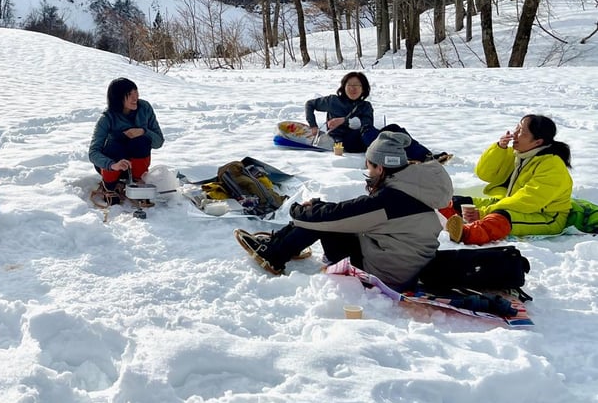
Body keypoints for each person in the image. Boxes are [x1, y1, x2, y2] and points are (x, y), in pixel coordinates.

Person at [236, 131, 452, 290]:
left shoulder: (390, 200)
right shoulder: (413, 186)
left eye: (369, 164)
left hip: (386, 273)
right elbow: (354, 212)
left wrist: (297, 210)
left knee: (323, 220)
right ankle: (285, 244)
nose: (367, 170)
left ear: (380, 167)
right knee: (326, 214)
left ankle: (274, 254)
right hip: (405, 260)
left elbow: (336, 217)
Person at [444, 115, 573, 245]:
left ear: (537, 142)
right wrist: (499, 149)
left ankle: (465, 234)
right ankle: (444, 221)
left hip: (545, 217)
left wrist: (484, 212)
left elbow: (528, 200)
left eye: (521, 132)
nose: (514, 134)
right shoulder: (518, 155)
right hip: (510, 204)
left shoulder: (552, 165)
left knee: (500, 218)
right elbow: (484, 174)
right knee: (456, 201)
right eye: (516, 128)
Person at [304, 71, 448, 162]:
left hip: (366, 139)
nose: (353, 89)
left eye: (357, 86)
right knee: (367, 130)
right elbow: (309, 104)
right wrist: (313, 126)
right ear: (344, 87)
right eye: (350, 85)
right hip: (343, 143)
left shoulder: (365, 106)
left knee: (394, 128)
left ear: (363, 89)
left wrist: (344, 120)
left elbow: (366, 123)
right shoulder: (332, 101)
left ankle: (426, 156)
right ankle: (389, 157)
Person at [88, 77, 164, 200]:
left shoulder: (144, 108)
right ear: (118, 98)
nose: (135, 98)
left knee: (141, 141)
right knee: (115, 146)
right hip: (111, 165)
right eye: (129, 95)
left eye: (136, 93)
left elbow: (159, 142)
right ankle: (110, 187)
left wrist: (143, 131)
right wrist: (112, 165)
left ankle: (138, 182)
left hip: (135, 165)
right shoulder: (107, 118)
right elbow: (93, 153)